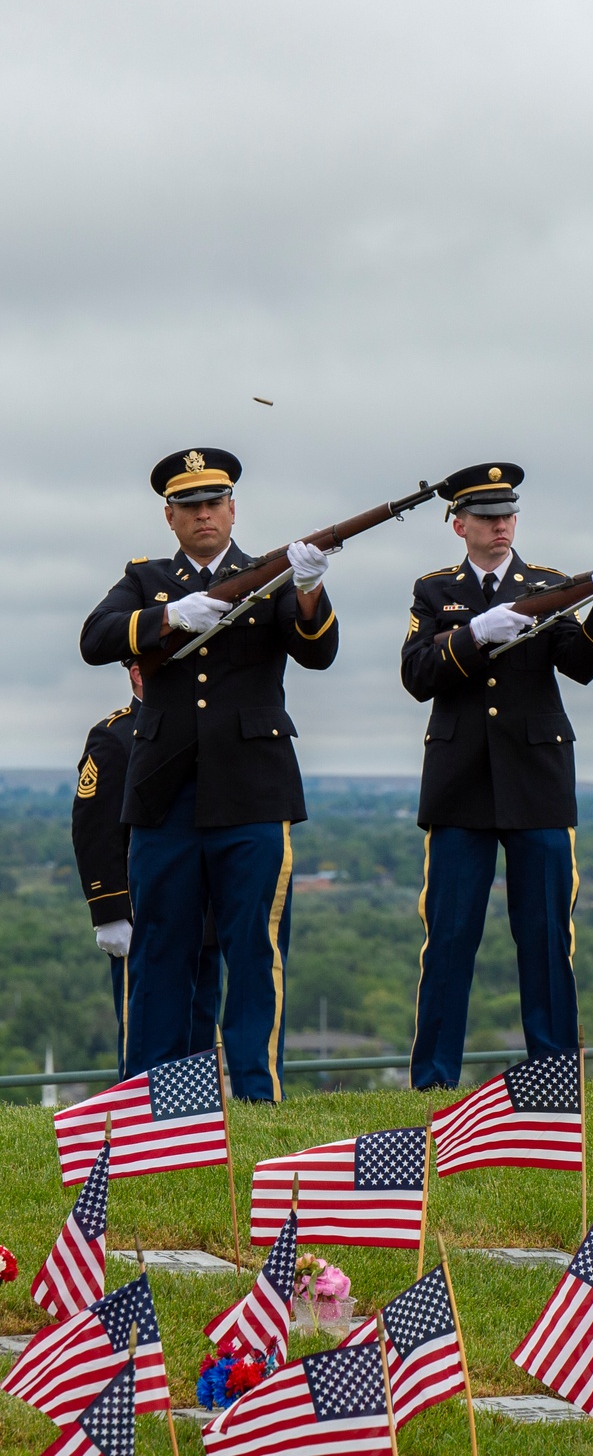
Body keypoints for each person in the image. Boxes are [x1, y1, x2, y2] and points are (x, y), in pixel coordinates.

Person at [80, 448, 338, 1101]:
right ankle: (149, 1101)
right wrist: (169, 616)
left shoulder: (268, 574)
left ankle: (255, 1092)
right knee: (160, 953)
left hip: (253, 790)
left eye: (213, 502)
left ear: (232, 508)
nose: (203, 514)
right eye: (189, 505)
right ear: (170, 517)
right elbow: (95, 637)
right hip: (165, 796)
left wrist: (307, 588)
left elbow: (319, 652)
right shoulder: (145, 580)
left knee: (254, 951)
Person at [401, 462, 593, 1090]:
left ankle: (554, 1076)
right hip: (459, 782)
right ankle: (435, 1078)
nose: (501, 525)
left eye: (508, 514)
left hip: (537, 779)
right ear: (459, 525)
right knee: (448, 937)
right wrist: (472, 634)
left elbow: (580, 667)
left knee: (546, 937)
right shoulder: (433, 591)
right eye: (486, 516)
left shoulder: (548, 584)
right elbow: (418, 674)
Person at [71, 658, 223, 1077]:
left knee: (199, 1043)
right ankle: (144, 1130)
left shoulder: (207, 728)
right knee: (145, 1046)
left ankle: (193, 1130)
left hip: (205, 921)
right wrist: (110, 911)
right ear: (137, 673)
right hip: (144, 920)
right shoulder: (115, 735)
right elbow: (94, 829)